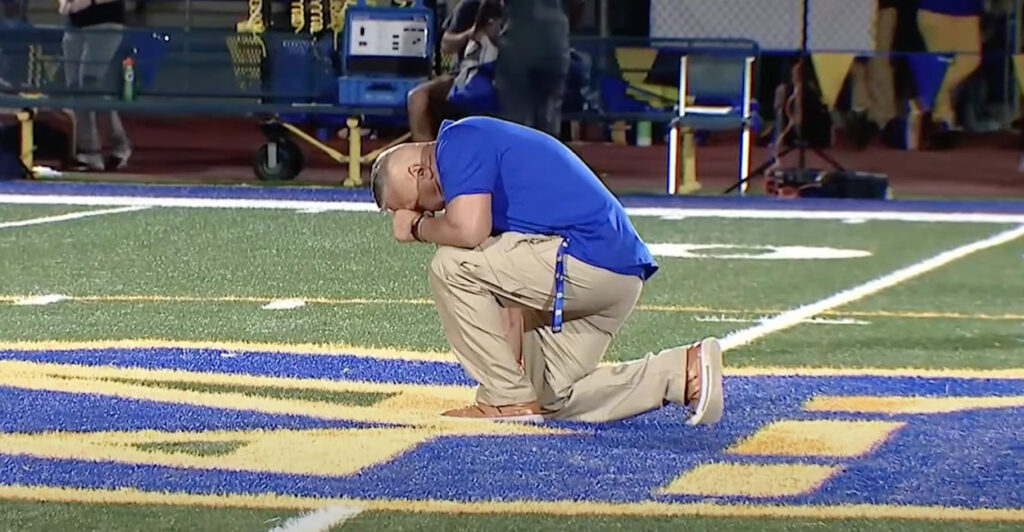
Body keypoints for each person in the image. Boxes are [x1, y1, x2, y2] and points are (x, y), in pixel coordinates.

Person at [368, 115, 724, 424]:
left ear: (419, 171)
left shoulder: (459, 142)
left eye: (416, 205)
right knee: (551, 400)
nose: (427, 212)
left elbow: (469, 231)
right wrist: (512, 379)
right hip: (612, 274)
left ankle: (505, 399)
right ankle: (683, 370)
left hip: (586, 259)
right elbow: (505, 299)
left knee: (450, 264)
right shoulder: (477, 167)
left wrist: (417, 228)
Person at [406, 0, 502, 142]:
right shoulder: (469, 6)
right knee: (417, 97)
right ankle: (428, 152)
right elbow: (446, 45)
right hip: (464, 73)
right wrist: (470, 34)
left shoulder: (517, 11)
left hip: (503, 74)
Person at [60, 0, 132, 171]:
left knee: (89, 82)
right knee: (75, 87)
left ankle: (118, 146)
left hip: (104, 21)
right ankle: (89, 152)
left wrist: (90, 1)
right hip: (74, 25)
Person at [493, 0, 576, 137]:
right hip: (554, 42)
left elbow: (491, 4)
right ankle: (547, 144)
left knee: (517, 117)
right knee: (549, 115)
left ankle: (519, 147)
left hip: (518, 42)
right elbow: (578, 4)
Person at [916, 0, 983, 149]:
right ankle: (942, 120)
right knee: (942, 64)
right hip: (936, 8)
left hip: (969, 9)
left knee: (970, 61)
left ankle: (927, 103)